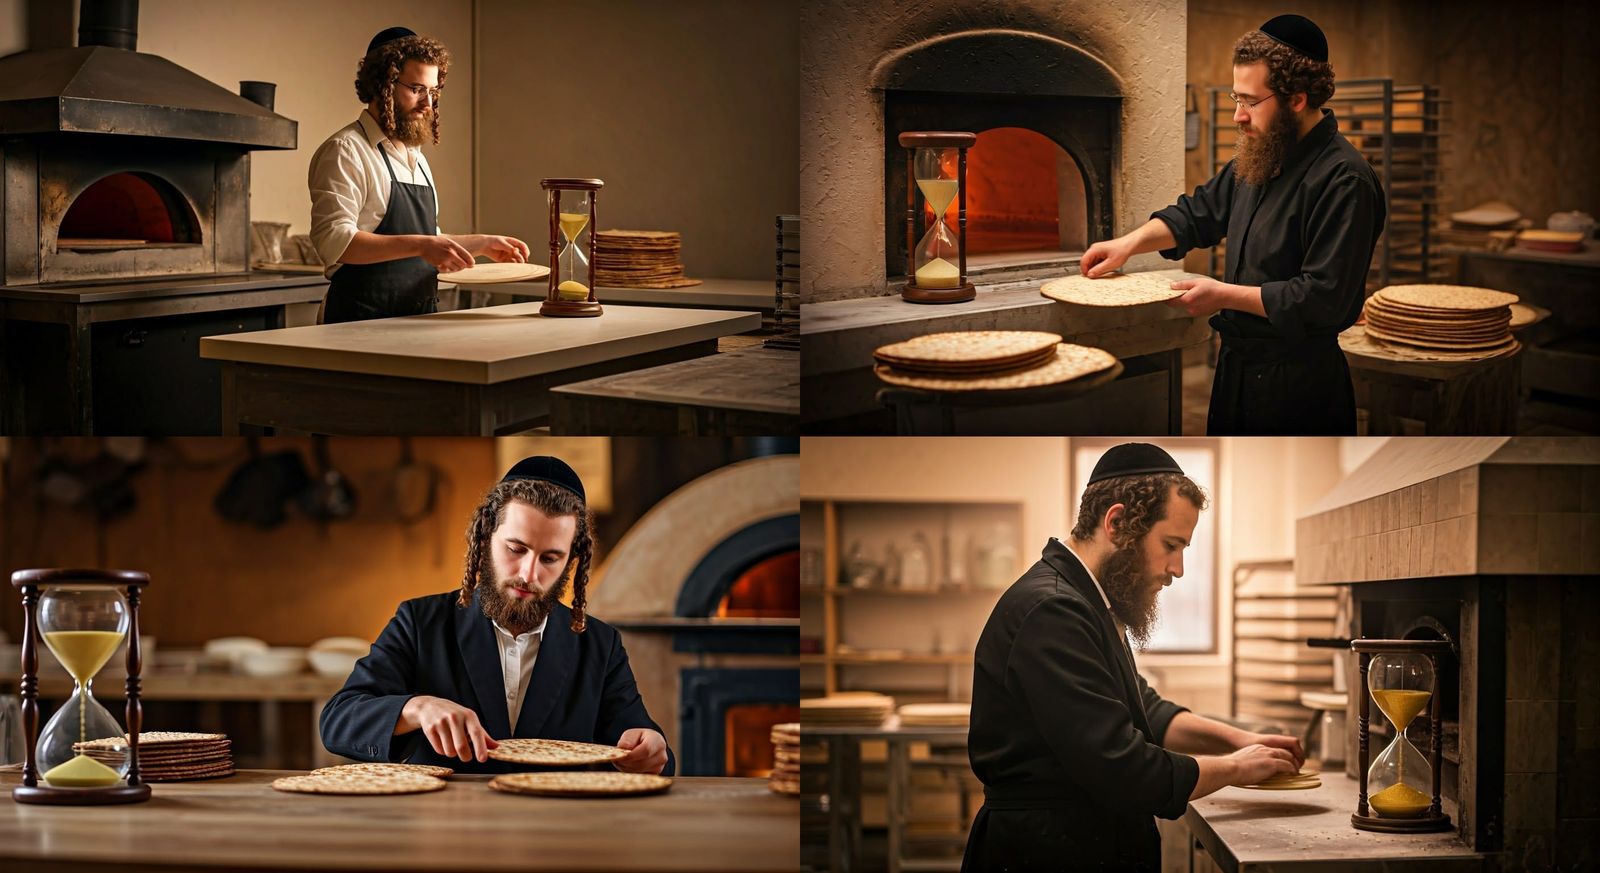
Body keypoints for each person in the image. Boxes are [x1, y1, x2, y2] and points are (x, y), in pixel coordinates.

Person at [963, 443, 1302, 871]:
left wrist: (1240, 739)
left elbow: (1146, 709)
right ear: (1117, 522)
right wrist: (1234, 768)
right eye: (1171, 545)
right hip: (1048, 852)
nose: (1178, 568)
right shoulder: (1053, 609)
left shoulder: (1086, 601)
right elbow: (1122, 768)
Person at [1080, 14, 1385, 435]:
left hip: (1298, 386)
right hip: (1236, 372)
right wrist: (1127, 245)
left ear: (1297, 99)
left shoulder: (1345, 180)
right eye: (1235, 98)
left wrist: (1222, 295)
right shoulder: (1261, 155)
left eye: (1250, 101)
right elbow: (1198, 213)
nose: (1238, 116)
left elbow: (1323, 300)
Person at [320, 456, 673, 775]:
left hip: (557, 823)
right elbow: (338, 720)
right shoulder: (419, 622)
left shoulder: (600, 644)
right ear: (486, 537)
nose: (529, 574)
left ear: (570, 561)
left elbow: (651, 749)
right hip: (445, 821)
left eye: (550, 558)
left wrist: (651, 750)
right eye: (516, 549)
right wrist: (416, 708)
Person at [308, 27, 530, 323]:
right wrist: (422, 245)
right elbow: (335, 241)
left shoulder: (417, 158)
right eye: (416, 89)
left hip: (417, 321)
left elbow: (429, 239)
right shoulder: (346, 150)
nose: (428, 104)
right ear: (382, 84)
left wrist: (483, 243)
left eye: (433, 92)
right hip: (357, 322)